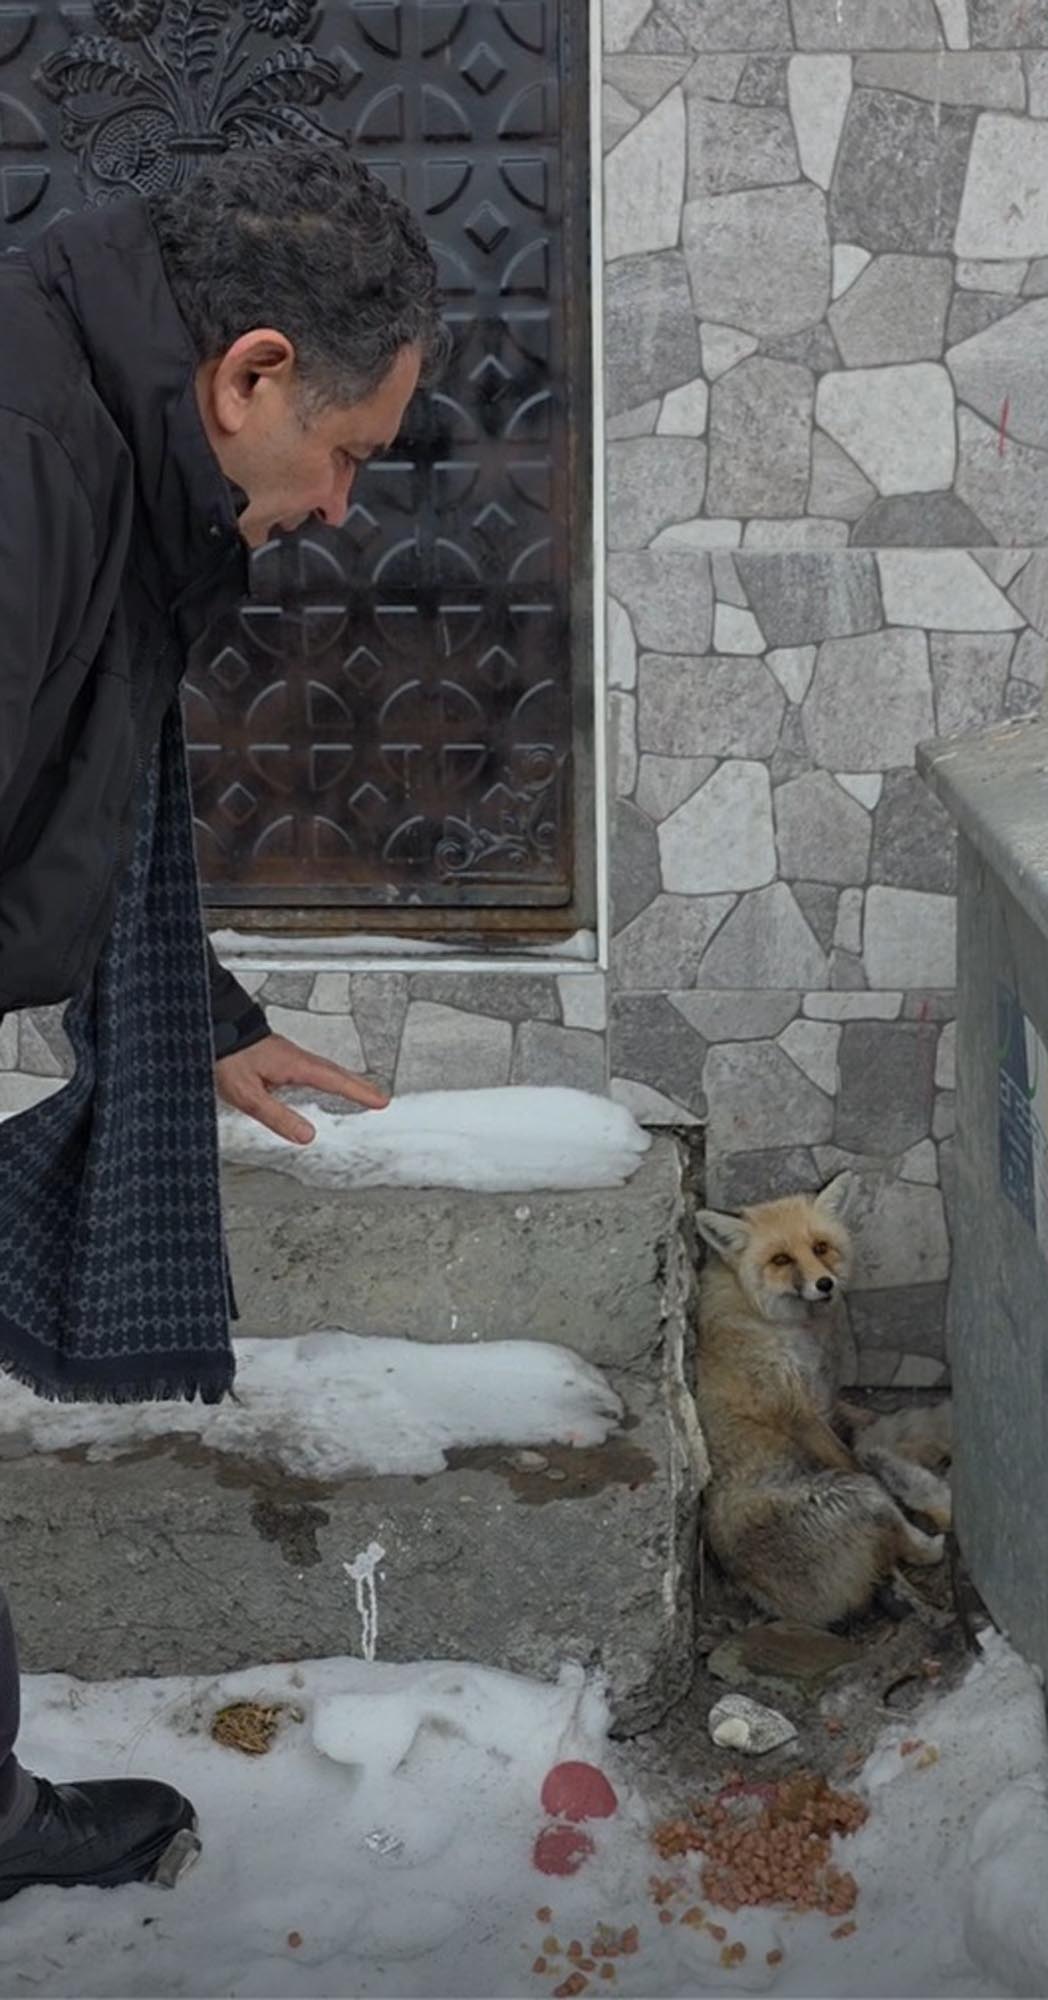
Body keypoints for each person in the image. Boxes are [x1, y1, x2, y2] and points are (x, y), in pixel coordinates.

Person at [0, 147, 448, 1902]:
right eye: (344, 455)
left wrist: (194, 1016)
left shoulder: (99, 437)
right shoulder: (29, 463)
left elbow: (73, 777)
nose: (342, 506)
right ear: (252, 372)